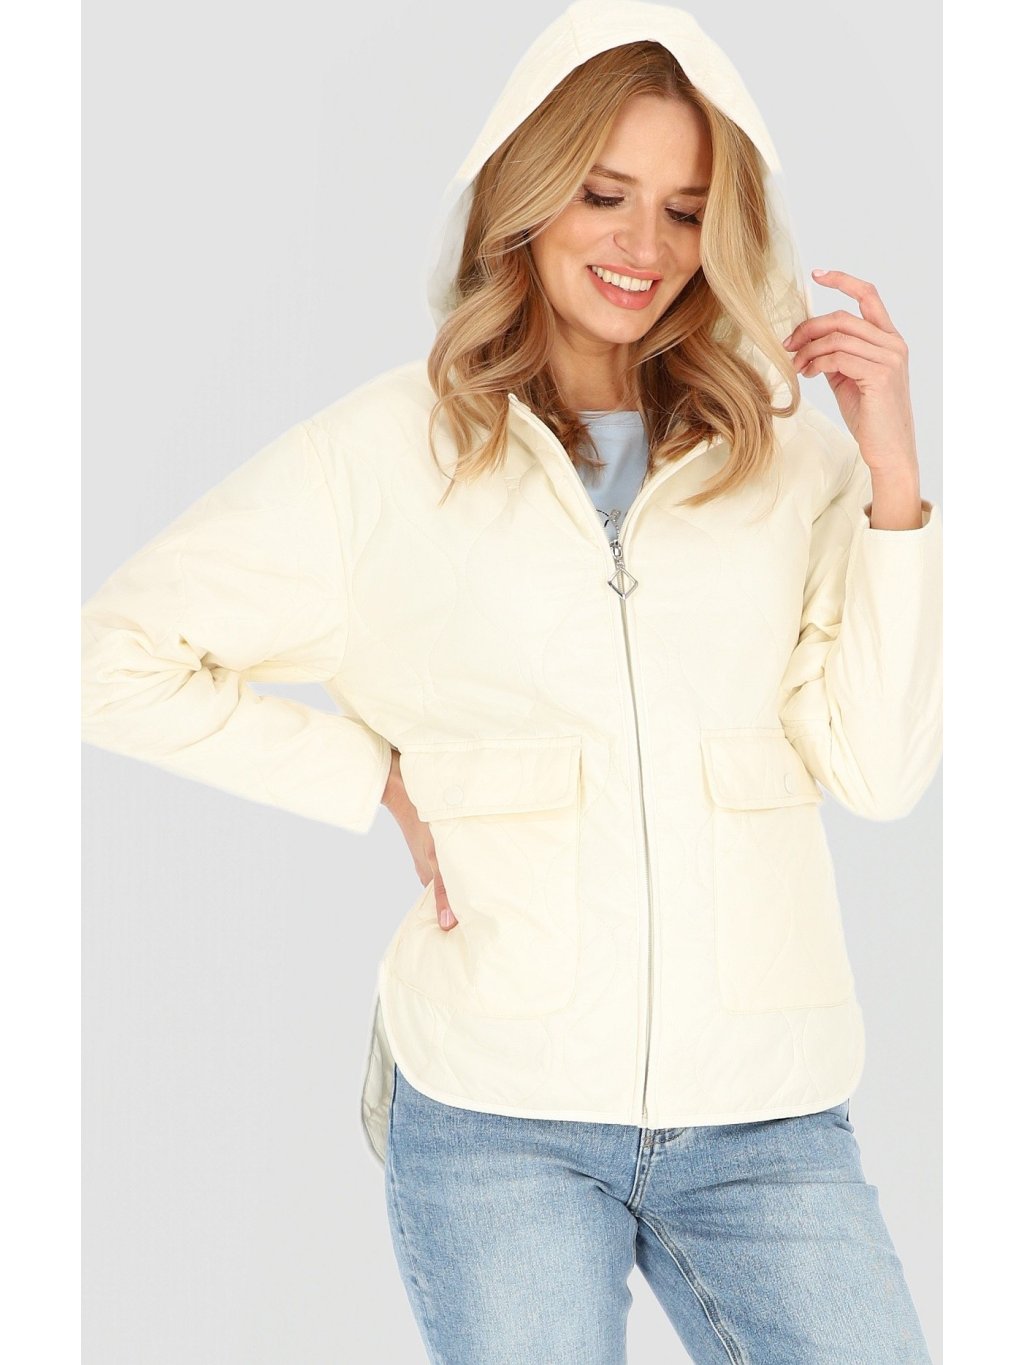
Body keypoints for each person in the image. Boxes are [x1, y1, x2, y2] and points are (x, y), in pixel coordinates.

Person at [80, 1, 941, 1359]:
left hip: (768, 1112)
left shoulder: (788, 458)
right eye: (603, 194)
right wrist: (373, 778)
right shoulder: (382, 457)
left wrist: (894, 477)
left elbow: (881, 771)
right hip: (498, 1112)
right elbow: (105, 658)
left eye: (685, 209)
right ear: (525, 196)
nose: (644, 246)